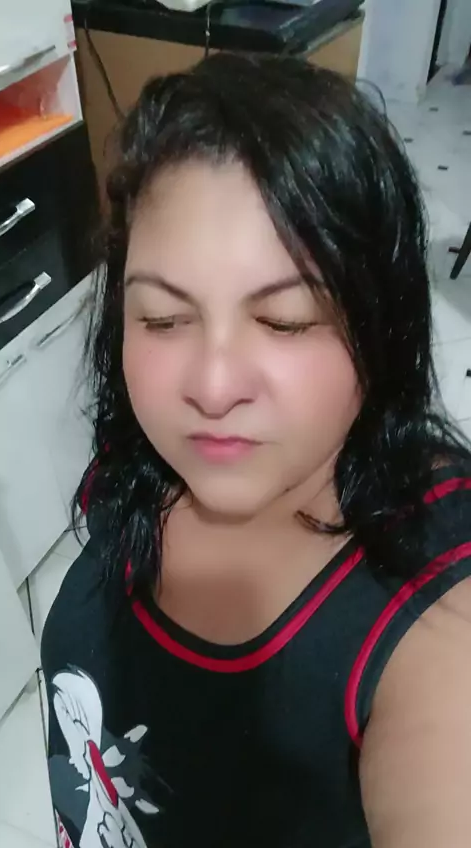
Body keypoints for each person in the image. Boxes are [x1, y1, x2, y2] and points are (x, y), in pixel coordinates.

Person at [42, 53, 471, 848]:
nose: (211, 386)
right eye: (164, 319)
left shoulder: (437, 625)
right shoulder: (146, 463)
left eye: (285, 321)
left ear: (381, 323)